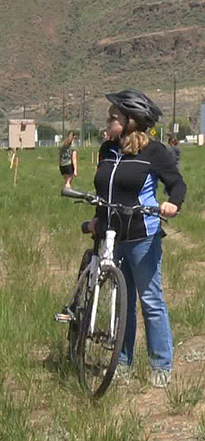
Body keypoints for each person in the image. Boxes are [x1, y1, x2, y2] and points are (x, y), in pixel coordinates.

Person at [88, 89, 186, 388]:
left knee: (151, 301)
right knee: (122, 302)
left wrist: (173, 204)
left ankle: (161, 364)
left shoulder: (154, 152)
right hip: (112, 236)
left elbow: (177, 184)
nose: (108, 120)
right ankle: (124, 361)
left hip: (143, 236)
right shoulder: (108, 150)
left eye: (113, 116)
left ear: (131, 122)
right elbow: (105, 189)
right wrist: (97, 218)